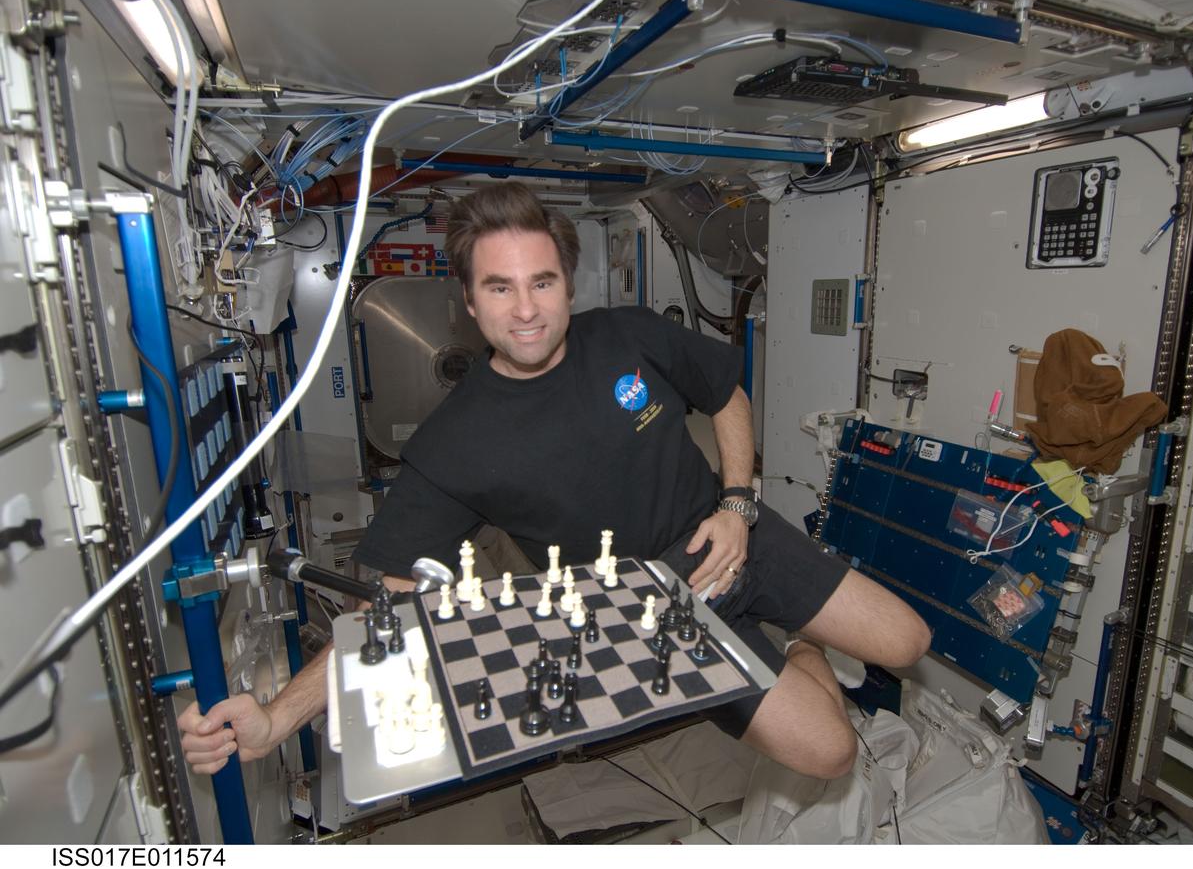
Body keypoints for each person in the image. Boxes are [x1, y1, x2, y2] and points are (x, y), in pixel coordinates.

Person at [178, 183, 930, 781]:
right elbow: (390, 603)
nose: (527, 308)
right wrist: (278, 717)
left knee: (908, 642)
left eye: (542, 281)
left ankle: (787, 632)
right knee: (831, 754)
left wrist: (738, 502)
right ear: (469, 303)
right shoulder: (455, 443)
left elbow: (725, 391)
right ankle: (793, 652)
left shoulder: (631, 335)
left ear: (568, 282)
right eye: (500, 288)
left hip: (733, 537)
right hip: (647, 607)